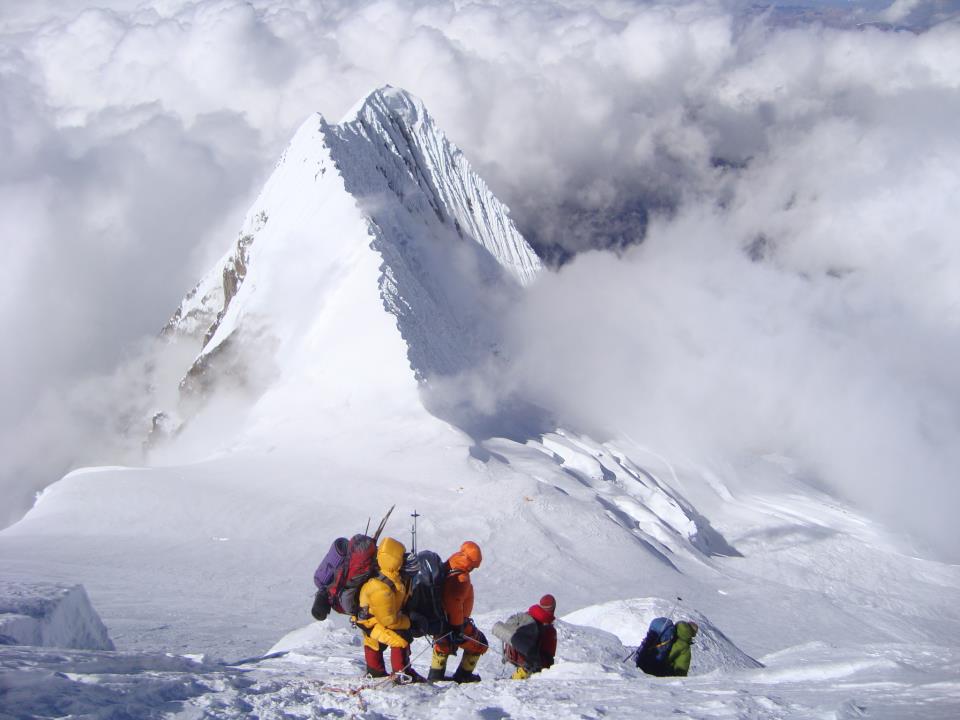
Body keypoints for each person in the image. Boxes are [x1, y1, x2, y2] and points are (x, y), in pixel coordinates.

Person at [355, 536, 425, 683]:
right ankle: (401, 674)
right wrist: (410, 623)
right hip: (371, 622)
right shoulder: (381, 588)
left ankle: (375, 671)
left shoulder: (393, 579)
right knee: (400, 640)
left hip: (374, 618)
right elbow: (389, 621)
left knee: (374, 642)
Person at [428, 541, 488, 683]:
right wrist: (457, 627)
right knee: (480, 644)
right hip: (455, 622)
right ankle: (464, 675)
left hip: (440, 619)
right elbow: (454, 603)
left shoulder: (450, 563)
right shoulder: (461, 577)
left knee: (442, 643)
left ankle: (436, 676)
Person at [493, 594, 557, 680]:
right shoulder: (549, 630)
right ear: (553, 609)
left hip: (512, 656)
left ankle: (516, 676)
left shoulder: (527, 616)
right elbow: (548, 660)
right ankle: (517, 677)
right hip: (528, 663)